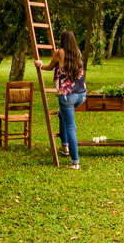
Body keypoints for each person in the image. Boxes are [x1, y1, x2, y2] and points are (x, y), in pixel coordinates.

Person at [34, 30, 86, 169]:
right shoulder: (78, 52)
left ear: (62, 40)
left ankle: (75, 162)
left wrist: (39, 65)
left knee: (70, 126)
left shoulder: (59, 52)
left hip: (66, 95)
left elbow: (50, 67)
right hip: (81, 94)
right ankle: (65, 146)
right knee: (62, 114)